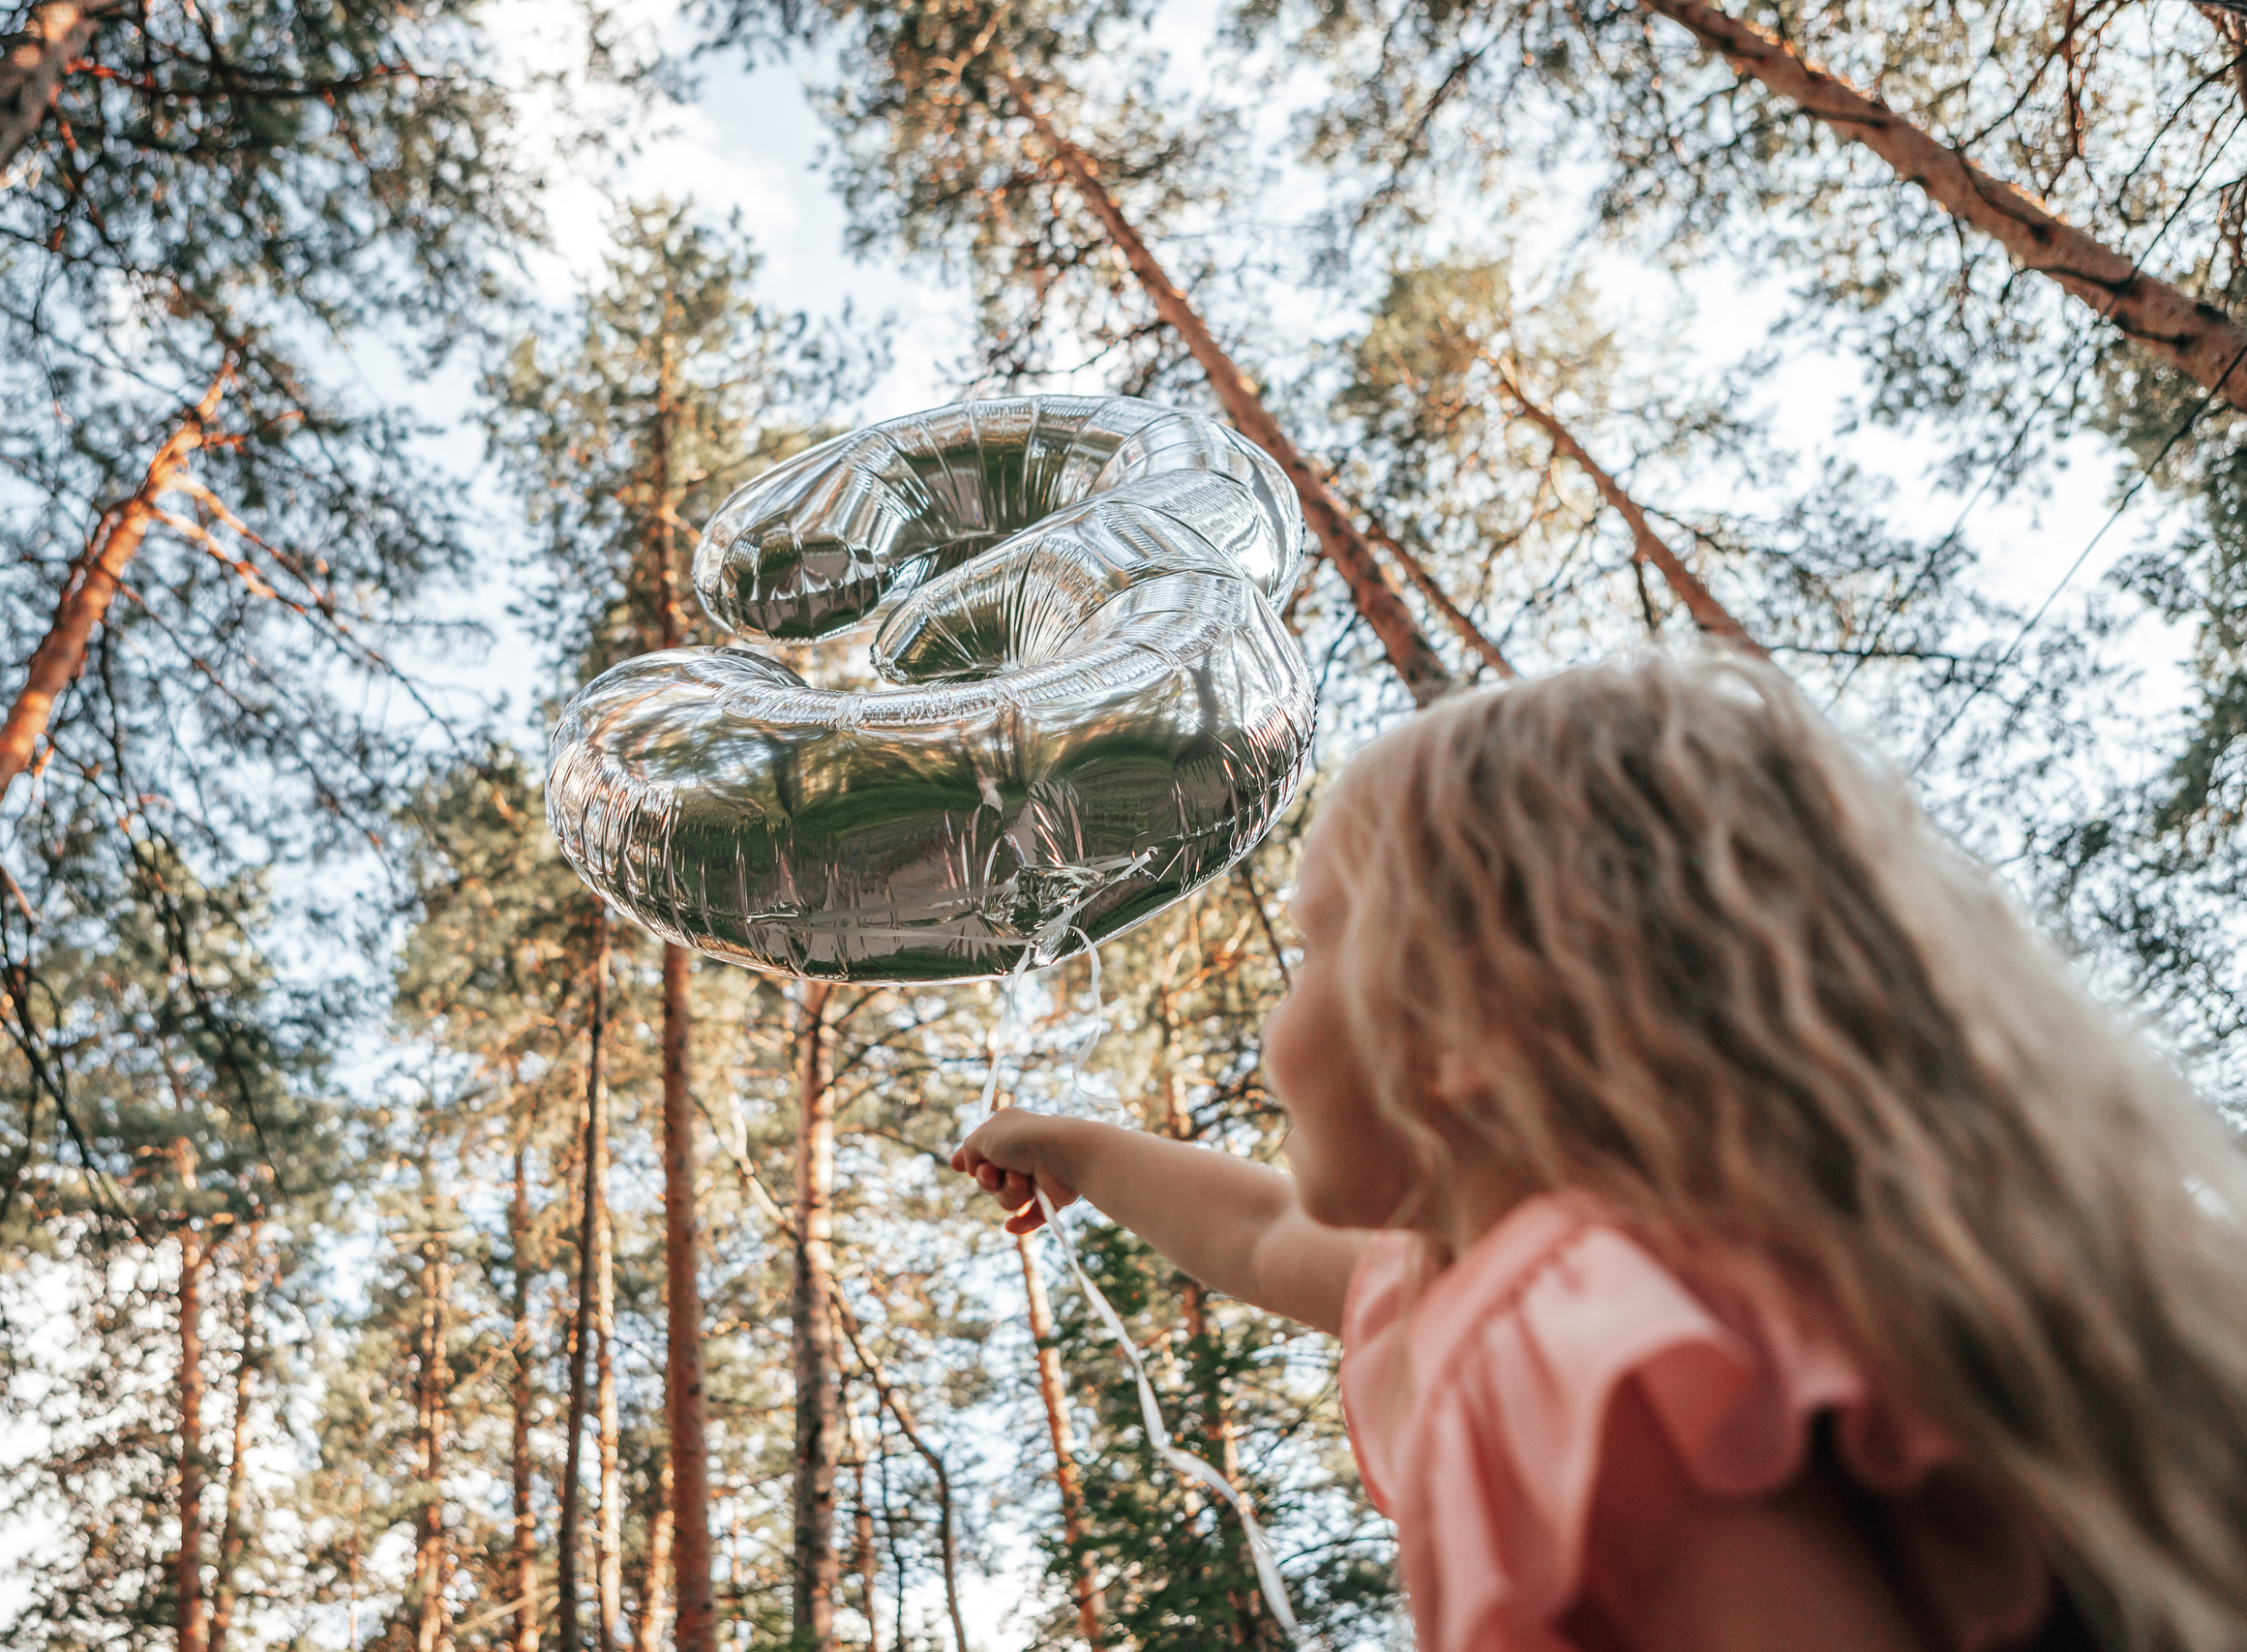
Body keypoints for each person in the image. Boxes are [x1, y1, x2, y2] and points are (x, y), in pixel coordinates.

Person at [950, 654, 2247, 1652]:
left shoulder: (1580, 1330)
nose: (1281, 1019)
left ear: (1467, 1022)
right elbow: (1258, 1232)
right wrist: (1076, 1148)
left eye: (1316, 951)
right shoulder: (1496, 1284)